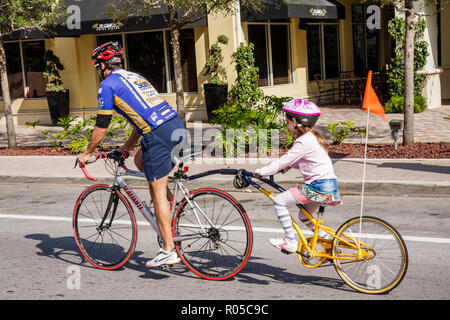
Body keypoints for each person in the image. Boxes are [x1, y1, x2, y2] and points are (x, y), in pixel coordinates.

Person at [77, 41, 186, 267]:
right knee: (139, 160)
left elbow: (101, 127)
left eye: (98, 67)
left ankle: (168, 249)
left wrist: (88, 153)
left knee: (155, 193)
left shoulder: (107, 86)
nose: (98, 72)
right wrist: (126, 147)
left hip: (158, 134)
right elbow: (143, 117)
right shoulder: (135, 77)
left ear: (103, 66)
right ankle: (169, 209)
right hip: (176, 126)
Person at [254, 98, 342, 253]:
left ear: (296, 122)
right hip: (329, 185)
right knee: (304, 215)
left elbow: (284, 160)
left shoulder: (303, 141)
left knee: (279, 201)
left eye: (287, 122)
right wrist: (288, 167)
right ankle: (328, 242)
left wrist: (263, 171)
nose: (287, 127)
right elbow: (305, 159)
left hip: (317, 186)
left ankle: (290, 240)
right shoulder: (313, 137)